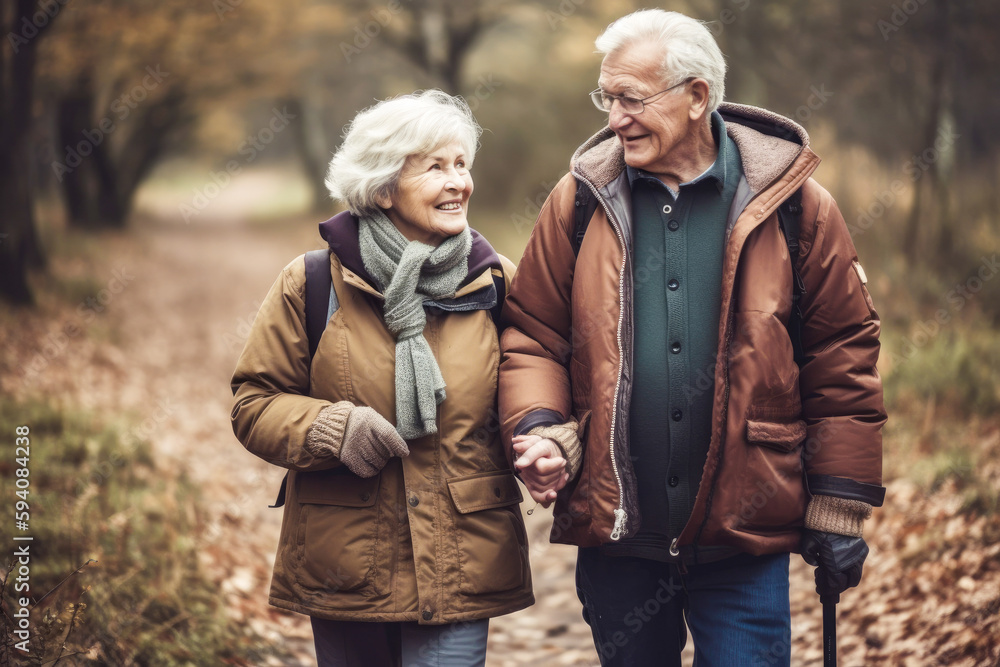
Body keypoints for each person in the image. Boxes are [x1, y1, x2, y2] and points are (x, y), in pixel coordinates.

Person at [499, 10, 885, 666]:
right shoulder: (581, 201)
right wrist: (543, 425)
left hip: (745, 541)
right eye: (607, 97)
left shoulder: (794, 204)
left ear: (698, 95)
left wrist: (840, 500)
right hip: (620, 541)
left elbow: (841, 351)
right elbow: (533, 333)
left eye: (631, 98)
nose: (614, 117)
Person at [231, 90, 532, 667]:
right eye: (435, 168)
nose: (458, 183)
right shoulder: (313, 282)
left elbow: (543, 382)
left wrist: (551, 433)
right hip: (347, 563)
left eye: (462, 164)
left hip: (462, 560)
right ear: (383, 186)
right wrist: (331, 427)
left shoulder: (495, 282)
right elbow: (253, 402)